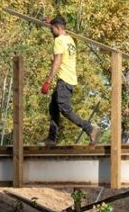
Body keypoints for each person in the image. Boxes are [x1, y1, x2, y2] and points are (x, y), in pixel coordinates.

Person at [40, 16, 101, 146]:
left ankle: (90, 129)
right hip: (70, 78)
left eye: (52, 29)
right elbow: (60, 31)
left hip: (64, 79)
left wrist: (48, 81)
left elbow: (57, 62)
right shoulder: (69, 39)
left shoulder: (59, 41)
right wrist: (52, 22)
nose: (51, 31)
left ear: (57, 28)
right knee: (54, 107)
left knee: (64, 109)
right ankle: (51, 139)